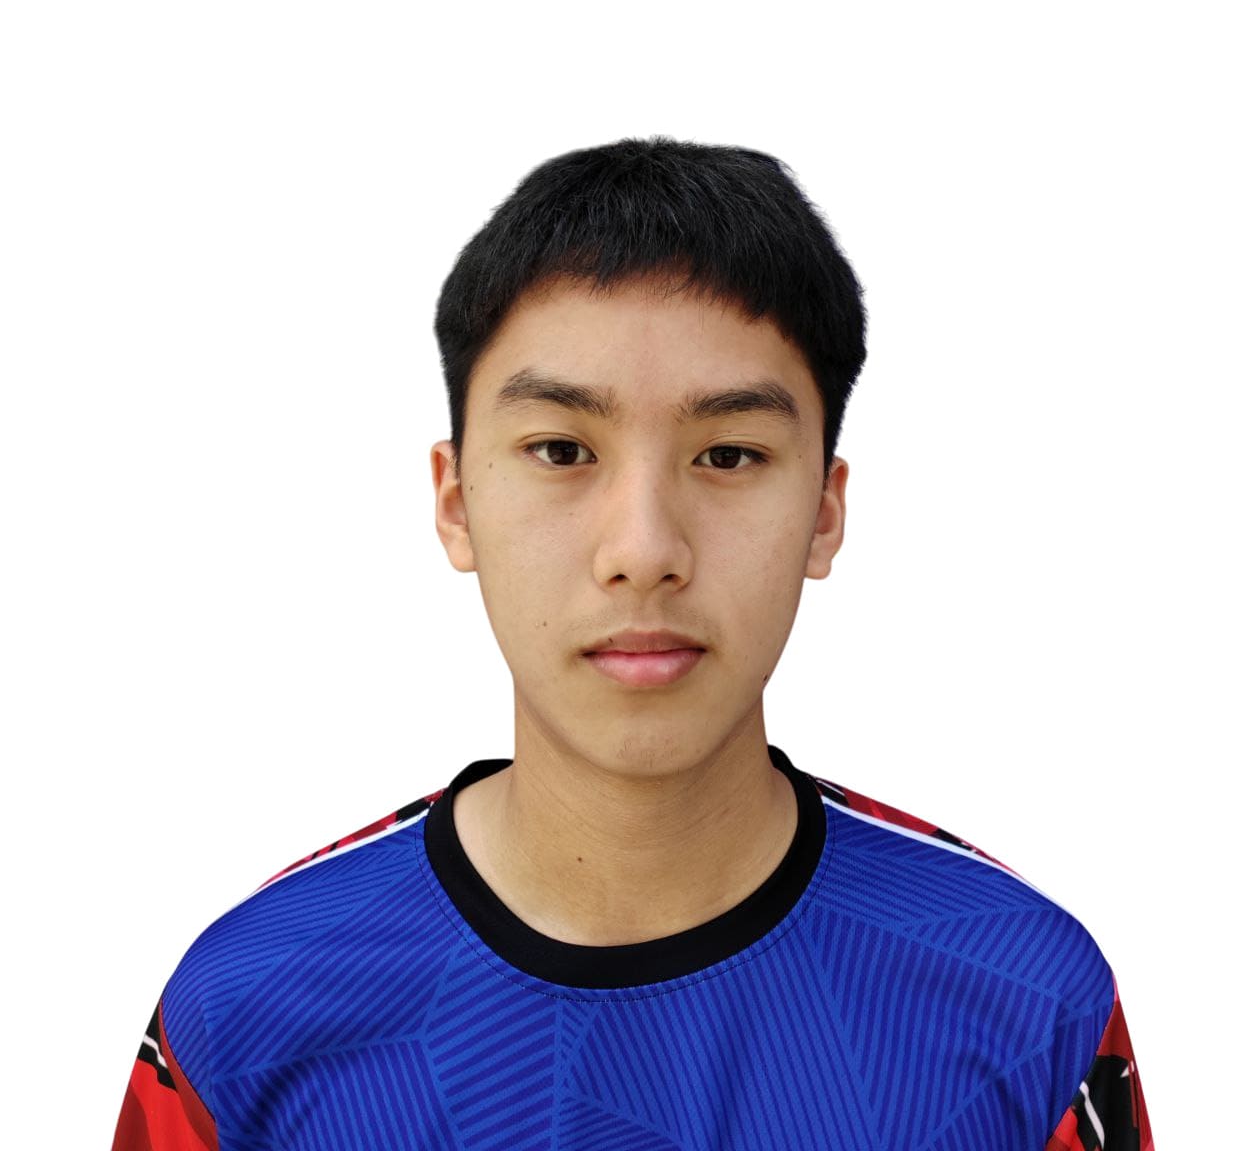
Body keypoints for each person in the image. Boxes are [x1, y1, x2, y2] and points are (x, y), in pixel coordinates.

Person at [111, 137, 1154, 1150]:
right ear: (456, 502)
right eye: (562, 449)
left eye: (729, 454)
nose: (644, 551)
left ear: (824, 512)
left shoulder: (1028, 999)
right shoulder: (243, 1011)